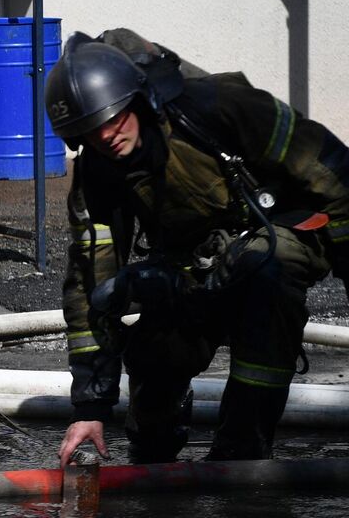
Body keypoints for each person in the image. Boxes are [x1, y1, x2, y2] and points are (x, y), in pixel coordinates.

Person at [49, 30, 349, 465]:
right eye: (91, 131)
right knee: (153, 344)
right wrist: (90, 409)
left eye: (114, 118)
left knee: (267, 271)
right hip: (192, 262)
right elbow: (88, 288)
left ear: (139, 100)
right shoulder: (98, 174)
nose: (107, 137)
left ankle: (242, 452)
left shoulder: (223, 108)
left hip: (281, 234)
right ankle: (154, 437)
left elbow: (338, 178)